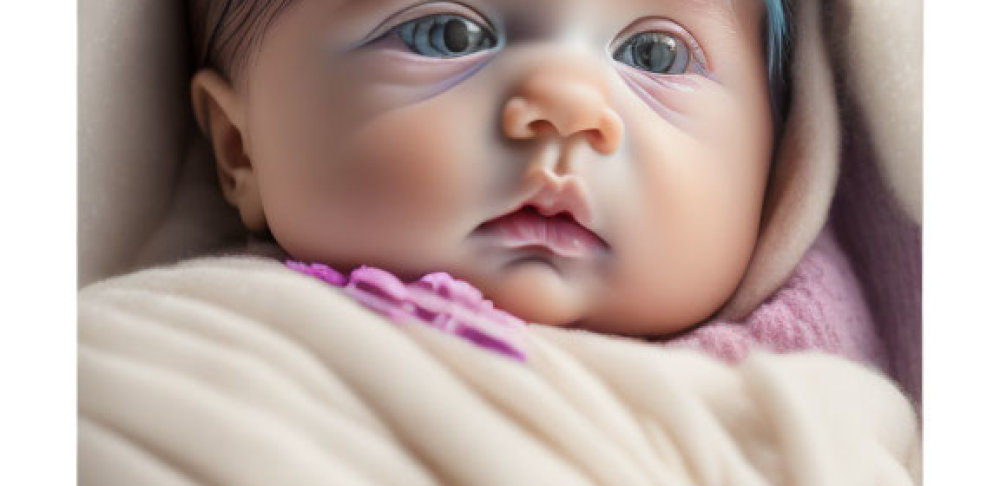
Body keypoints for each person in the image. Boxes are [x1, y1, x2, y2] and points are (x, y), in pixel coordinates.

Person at [187, 0, 796, 340]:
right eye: (448, 35)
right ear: (241, 149)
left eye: (654, 53)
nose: (569, 106)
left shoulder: (794, 406)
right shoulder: (210, 340)